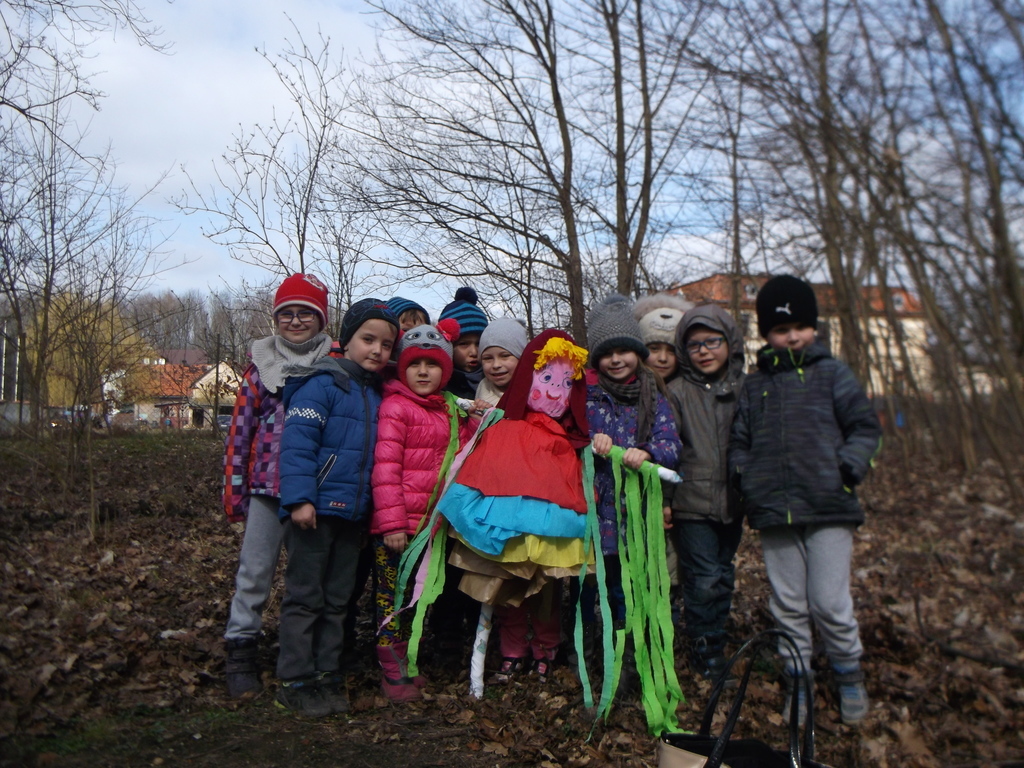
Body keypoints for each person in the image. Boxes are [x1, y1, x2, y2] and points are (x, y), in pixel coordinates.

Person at [729, 275, 882, 726]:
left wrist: (848, 469)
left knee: (829, 601)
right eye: (781, 329)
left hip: (830, 506)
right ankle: (798, 678)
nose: (791, 335)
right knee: (788, 603)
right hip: (775, 511)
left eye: (799, 325)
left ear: (813, 326)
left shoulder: (832, 373)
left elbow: (865, 428)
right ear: (767, 334)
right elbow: (739, 443)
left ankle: (848, 671)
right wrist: (745, 477)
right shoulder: (755, 386)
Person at [436, 330, 592, 683]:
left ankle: (546, 648)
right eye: (546, 379)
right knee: (503, 581)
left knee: (546, 585)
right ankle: (512, 648)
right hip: (507, 517)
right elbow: (488, 466)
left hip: (550, 520)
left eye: (564, 382)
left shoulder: (567, 438)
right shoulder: (506, 424)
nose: (553, 391)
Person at [274, 298, 400, 717]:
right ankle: (295, 677)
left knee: (338, 599)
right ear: (346, 341)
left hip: (353, 516)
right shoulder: (321, 384)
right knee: (306, 596)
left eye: (385, 344)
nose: (377, 351)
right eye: (368, 340)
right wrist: (300, 500)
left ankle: (328, 674)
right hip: (315, 512)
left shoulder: (379, 396)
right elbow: (297, 445)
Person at [221, 274, 333, 700]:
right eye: (287, 313)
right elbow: (239, 435)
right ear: (276, 318)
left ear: (321, 319)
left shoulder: (335, 363)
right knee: (255, 572)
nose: (296, 320)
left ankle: (305, 656)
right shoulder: (258, 370)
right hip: (266, 490)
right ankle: (241, 650)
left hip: (316, 493)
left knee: (309, 578)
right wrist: (235, 493)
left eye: (306, 313)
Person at [370, 319, 475, 701]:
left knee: (417, 597)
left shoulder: (449, 409)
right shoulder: (396, 407)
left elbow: (466, 453)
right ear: (402, 368)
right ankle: (390, 668)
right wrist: (393, 524)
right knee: (391, 597)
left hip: (433, 528)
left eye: (432, 365)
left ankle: (407, 661)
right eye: (415, 365)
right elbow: (386, 470)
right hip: (400, 528)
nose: (424, 372)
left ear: (445, 371)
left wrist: (478, 418)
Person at [585, 294, 682, 689]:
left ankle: (632, 661)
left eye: (624, 350)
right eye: (607, 353)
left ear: (636, 353)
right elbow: (572, 439)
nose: (616, 359)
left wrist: (649, 452)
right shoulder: (588, 396)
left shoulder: (652, 394)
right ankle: (602, 655)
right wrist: (593, 443)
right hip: (598, 514)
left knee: (632, 588)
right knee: (601, 591)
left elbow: (672, 443)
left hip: (638, 515)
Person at [665, 303, 745, 684]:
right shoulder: (677, 391)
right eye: (694, 345)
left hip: (734, 500)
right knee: (703, 576)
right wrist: (666, 500)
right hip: (691, 502)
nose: (704, 350)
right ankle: (705, 647)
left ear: (729, 342)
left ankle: (718, 637)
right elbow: (668, 447)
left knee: (724, 573)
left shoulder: (744, 388)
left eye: (713, 341)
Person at [439, 287, 489, 400]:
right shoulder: (440, 386)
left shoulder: (496, 379)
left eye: (478, 343)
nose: (474, 352)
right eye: (464, 344)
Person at [633, 292, 693, 384]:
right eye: (654, 349)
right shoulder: (626, 389)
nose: (663, 358)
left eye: (672, 350)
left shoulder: (690, 392)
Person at [473, 317, 529, 408]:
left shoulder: (535, 390)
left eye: (505, 356)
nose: (496, 365)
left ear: (521, 357)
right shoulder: (483, 388)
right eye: (488, 358)